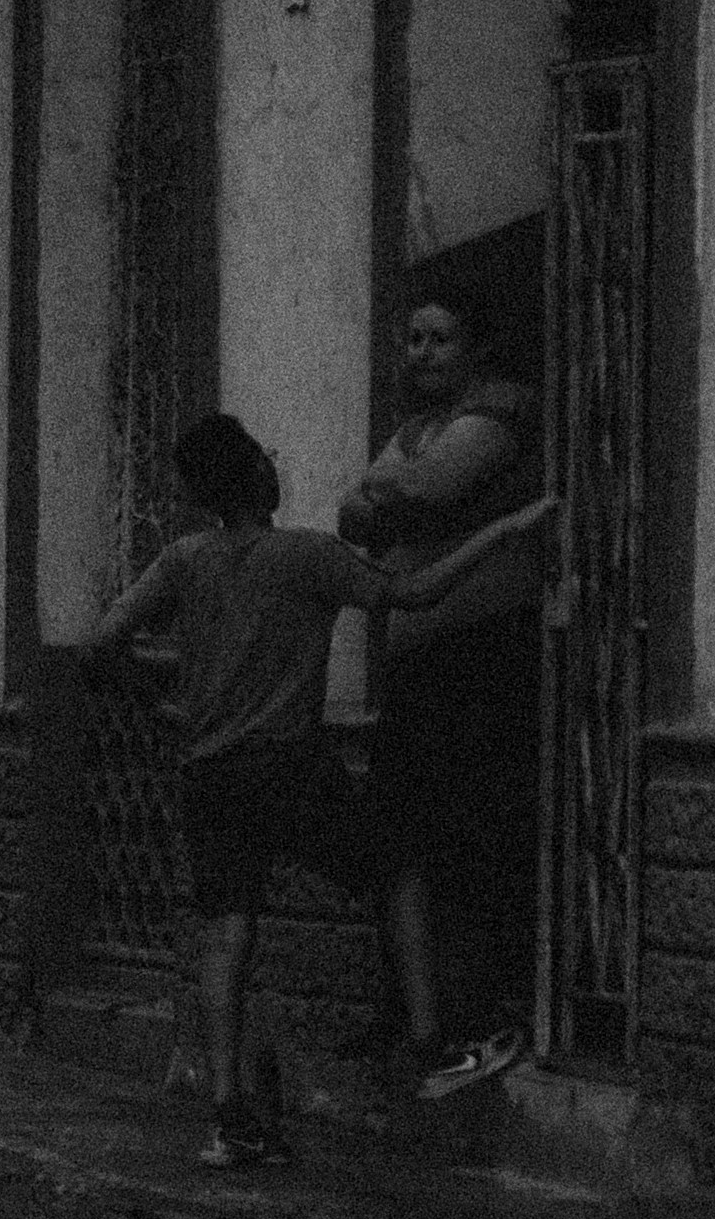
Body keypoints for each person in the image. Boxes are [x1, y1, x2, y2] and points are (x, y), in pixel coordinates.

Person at [96, 413, 552, 1163]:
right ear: (260, 478)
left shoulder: (183, 561)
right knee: (396, 864)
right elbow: (415, 593)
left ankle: (227, 1117)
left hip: (208, 773)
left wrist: (167, 709)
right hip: (289, 765)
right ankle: (431, 1042)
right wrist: (505, 534)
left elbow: (104, 642)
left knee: (226, 932)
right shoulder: (306, 557)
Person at [337, 291, 546, 1104]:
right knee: (404, 838)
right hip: (421, 663)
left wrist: (392, 500)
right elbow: (356, 512)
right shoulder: (422, 429)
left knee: (466, 833)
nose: (420, 352)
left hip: (480, 657)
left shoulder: (502, 408)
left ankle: (481, 1015)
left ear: (478, 348)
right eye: (412, 338)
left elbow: (412, 499)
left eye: (439, 339)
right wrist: (390, 499)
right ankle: (422, 1019)